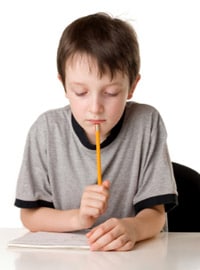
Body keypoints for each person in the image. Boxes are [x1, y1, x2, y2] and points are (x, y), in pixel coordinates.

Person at [14, 12, 178, 251]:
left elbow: (155, 214)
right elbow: (30, 216)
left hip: (135, 259)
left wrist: (132, 227)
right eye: (80, 92)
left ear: (132, 87)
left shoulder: (146, 123)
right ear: (64, 86)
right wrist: (78, 218)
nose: (95, 108)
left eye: (111, 93)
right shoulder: (46, 130)